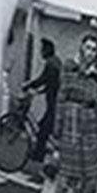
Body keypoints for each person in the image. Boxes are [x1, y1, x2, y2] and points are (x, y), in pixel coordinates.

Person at [36, 31, 97, 193]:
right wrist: (56, 138)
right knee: (61, 188)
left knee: (81, 191)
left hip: (87, 137)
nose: (90, 52)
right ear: (81, 48)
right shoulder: (69, 67)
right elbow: (60, 101)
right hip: (70, 134)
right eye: (87, 47)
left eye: (94, 49)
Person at [21, 38, 59, 167]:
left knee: (43, 130)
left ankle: (39, 156)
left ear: (47, 50)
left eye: (43, 49)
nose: (41, 52)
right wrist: (39, 91)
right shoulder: (55, 62)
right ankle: (41, 151)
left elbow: (43, 79)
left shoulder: (51, 64)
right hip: (54, 102)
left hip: (55, 104)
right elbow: (51, 83)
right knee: (42, 126)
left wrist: (28, 85)